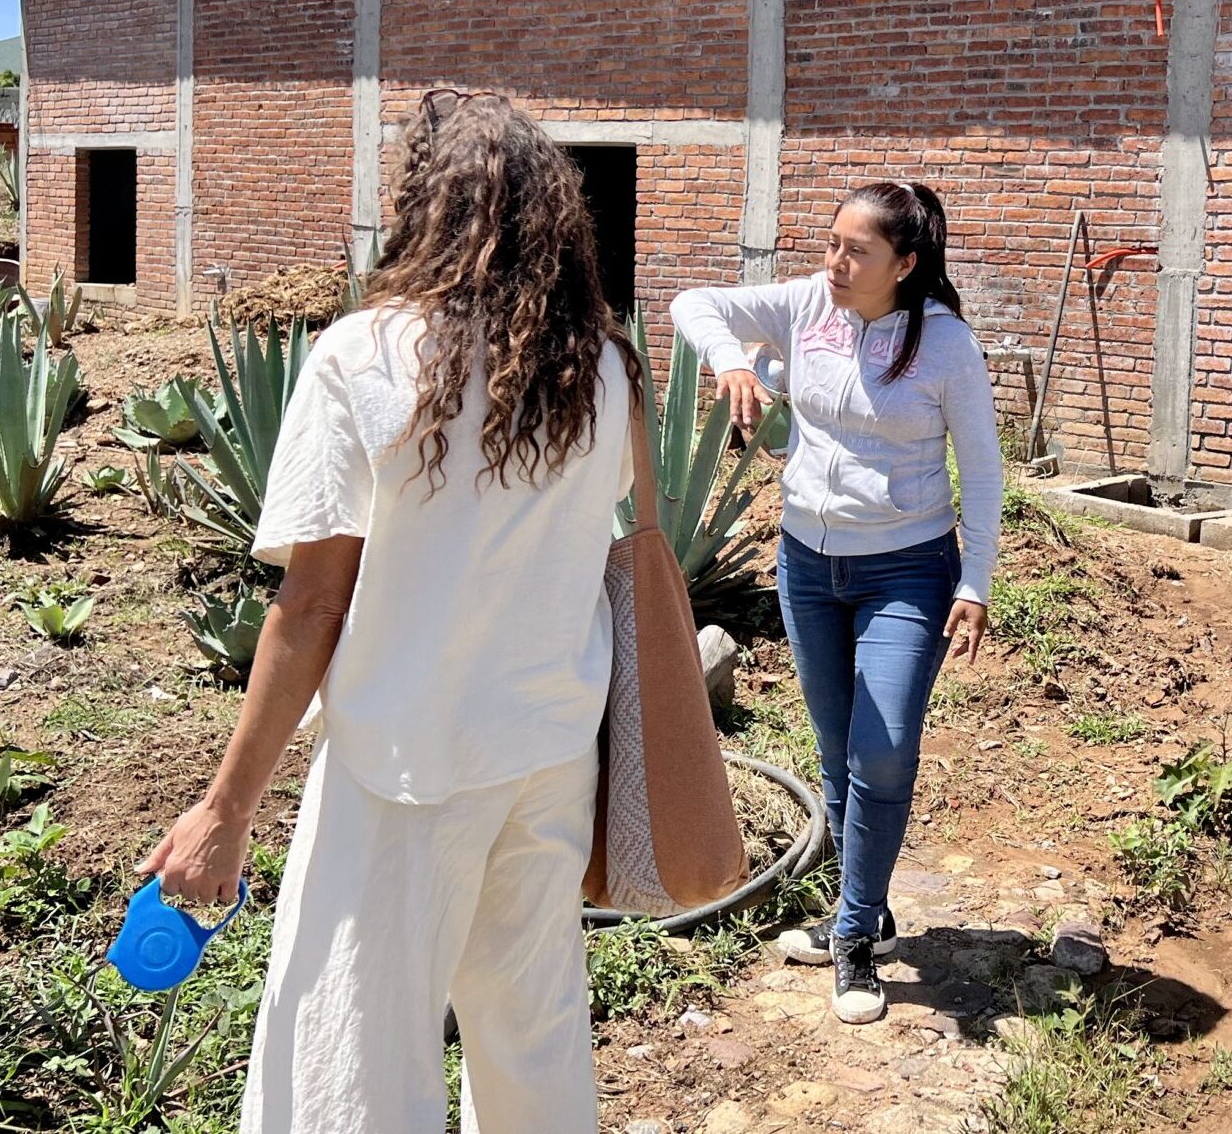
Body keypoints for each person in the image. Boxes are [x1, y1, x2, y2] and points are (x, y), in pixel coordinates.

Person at [140, 90, 638, 1134]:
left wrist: (225, 808)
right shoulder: (596, 366)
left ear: (426, 207)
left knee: (350, 1056)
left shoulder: (366, 356)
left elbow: (312, 604)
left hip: (405, 765)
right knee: (531, 1029)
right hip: (547, 746)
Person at [672, 182, 1001, 1025]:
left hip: (907, 570)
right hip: (808, 566)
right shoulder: (805, 303)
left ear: (906, 264)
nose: (836, 262)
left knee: (881, 750)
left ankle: (853, 936)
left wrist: (975, 582)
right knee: (835, 745)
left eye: (857, 251)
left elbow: (984, 469)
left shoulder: (946, 346)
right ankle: (872, 908)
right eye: (830, 243)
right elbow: (692, 302)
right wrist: (734, 359)